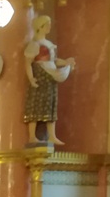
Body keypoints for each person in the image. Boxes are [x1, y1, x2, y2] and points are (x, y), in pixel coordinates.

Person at [24, 15, 76, 146]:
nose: (49, 27)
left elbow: (54, 61)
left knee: (51, 103)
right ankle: (32, 136)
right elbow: (28, 62)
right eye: (47, 24)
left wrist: (66, 62)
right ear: (40, 27)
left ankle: (52, 135)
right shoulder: (35, 44)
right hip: (40, 75)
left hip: (50, 76)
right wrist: (31, 78)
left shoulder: (49, 44)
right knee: (36, 104)